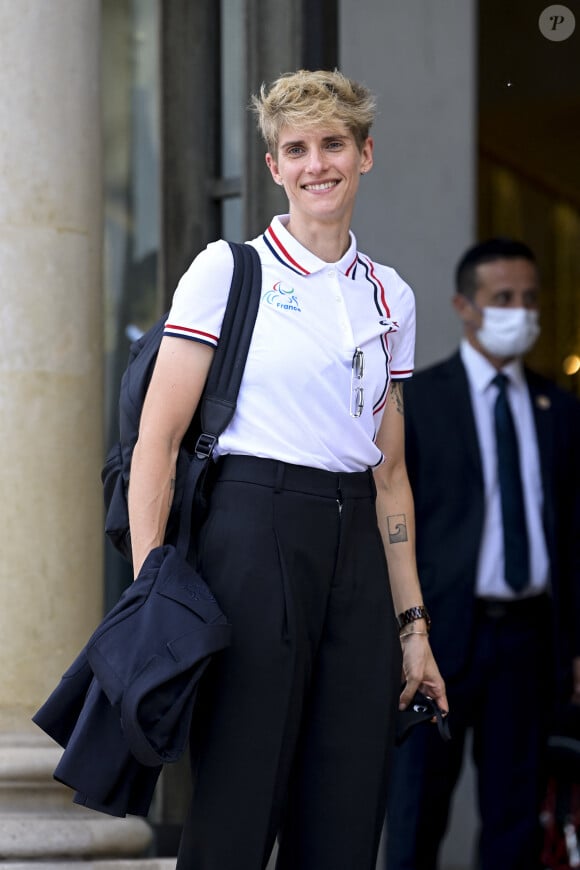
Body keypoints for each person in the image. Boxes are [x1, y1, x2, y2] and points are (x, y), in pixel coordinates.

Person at [127, 69, 447, 870]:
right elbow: (155, 446)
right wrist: (150, 599)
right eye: (296, 149)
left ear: (365, 154)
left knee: (345, 815)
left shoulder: (392, 297)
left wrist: (414, 631)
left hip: (358, 557)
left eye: (333, 144)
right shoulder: (227, 271)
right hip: (252, 526)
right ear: (274, 168)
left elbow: (391, 474)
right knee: (236, 809)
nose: (316, 165)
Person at [384, 238, 580, 870]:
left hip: (528, 642)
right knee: (418, 814)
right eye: (503, 298)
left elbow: (573, 535)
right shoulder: (421, 400)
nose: (519, 310)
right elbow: (394, 517)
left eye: (528, 298)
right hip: (439, 639)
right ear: (464, 306)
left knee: (516, 822)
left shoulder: (560, 410)